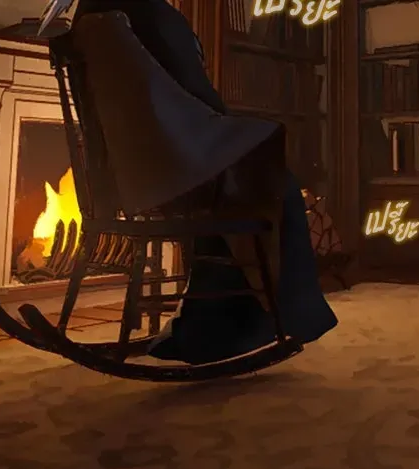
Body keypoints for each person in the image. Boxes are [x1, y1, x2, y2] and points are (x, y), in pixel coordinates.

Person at [45, 0, 338, 364]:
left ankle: (205, 327)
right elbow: (199, 98)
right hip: (173, 175)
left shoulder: (93, 17)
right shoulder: (150, 15)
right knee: (272, 186)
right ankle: (271, 320)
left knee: (241, 186)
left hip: (134, 177)